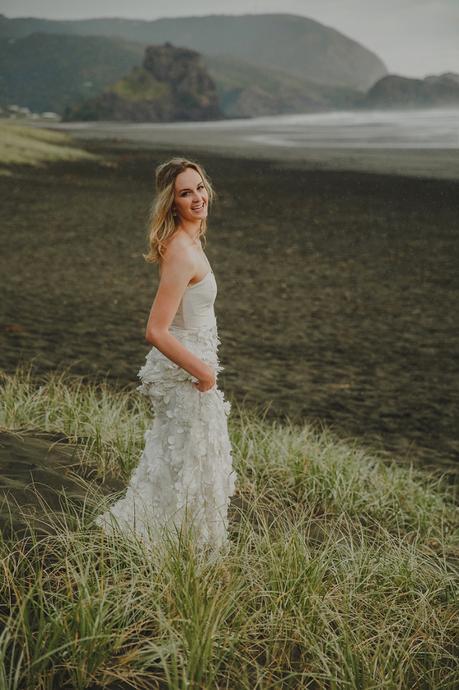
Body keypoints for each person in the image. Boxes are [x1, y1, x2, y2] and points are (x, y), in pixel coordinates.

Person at [94, 157, 238, 556]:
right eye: (185, 193)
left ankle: (173, 544)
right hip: (187, 373)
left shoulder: (190, 242)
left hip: (193, 364)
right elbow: (155, 330)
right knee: (193, 464)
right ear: (171, 202)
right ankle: (173, 549)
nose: (197, 198)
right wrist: (204, 372)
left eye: (200, 188)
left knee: (187, 462)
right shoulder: (180, 251)